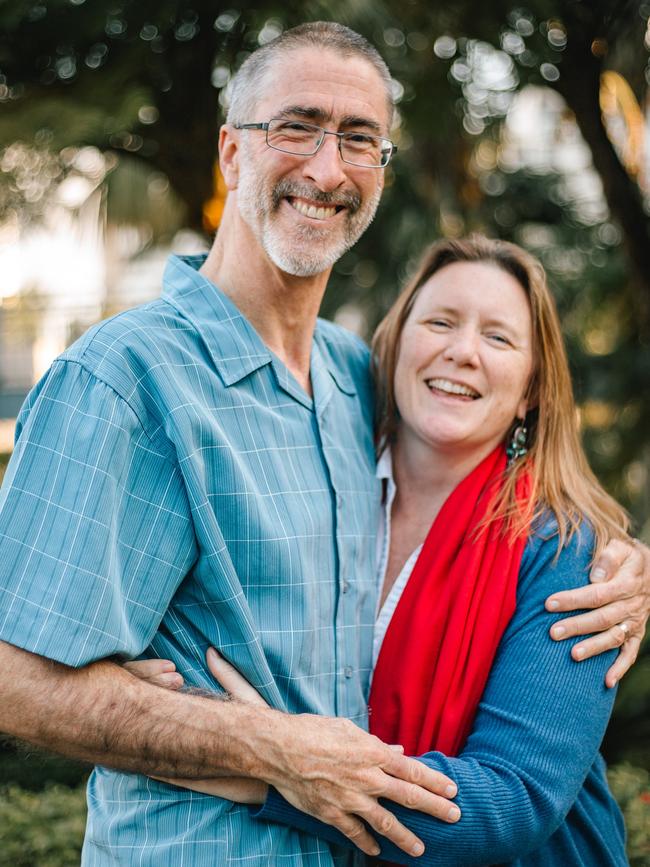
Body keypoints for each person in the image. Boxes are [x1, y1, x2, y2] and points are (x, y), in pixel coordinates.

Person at [0, 21, 647, 867]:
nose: (326, 167)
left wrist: (625, 560)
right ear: (233, 153)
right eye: (296, 127)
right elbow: (14, 677)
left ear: (380, 170)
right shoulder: (123, 379)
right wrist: (263, 748)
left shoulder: (353, 380)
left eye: (358, 139)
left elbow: (496, 460)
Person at [147, 236, 631, 865]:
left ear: (533, 390)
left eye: (499, 338)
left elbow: (511, 803)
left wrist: (272, 773)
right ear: (397, 341)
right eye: (440, 322)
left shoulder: (568, 553)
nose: (461, 352)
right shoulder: (326, 491)